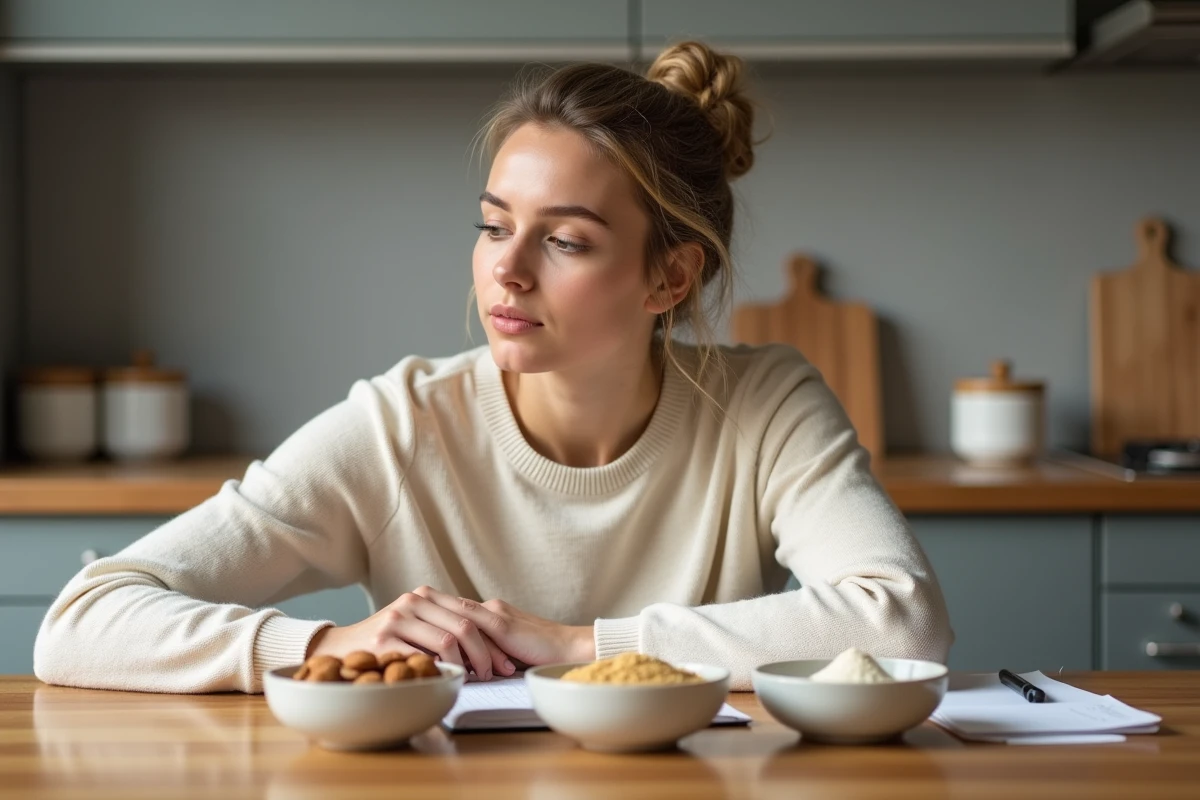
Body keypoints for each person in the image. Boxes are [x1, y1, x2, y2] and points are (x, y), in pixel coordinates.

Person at [34, 41, 952, 694]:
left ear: (669, 278)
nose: (505, 269)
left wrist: (580, 645)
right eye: (493, 225)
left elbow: (902, 621)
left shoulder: (765, 404)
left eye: (565, 240)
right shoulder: (402, 426)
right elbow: (82, 619)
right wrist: (329, 643)